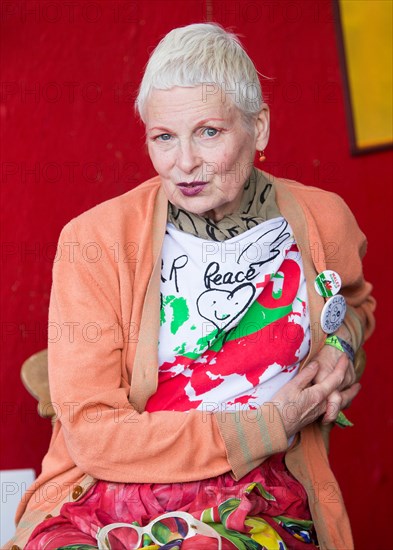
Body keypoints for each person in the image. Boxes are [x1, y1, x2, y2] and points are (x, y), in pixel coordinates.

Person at [9, 23, 375, 550]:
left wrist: (341, 348)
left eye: (208, 132)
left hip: (263, 495)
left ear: (260, 127)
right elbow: (93, 434)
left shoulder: (322, 220)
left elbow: (355, 304)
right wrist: (268, 424)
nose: (183, 163)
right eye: (163, 137)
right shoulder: (96, 241)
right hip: (108, 493)